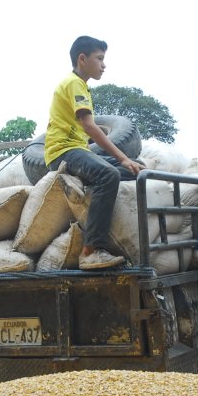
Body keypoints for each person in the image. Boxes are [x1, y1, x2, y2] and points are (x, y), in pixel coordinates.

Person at [44, 35, 143, 270]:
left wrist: (127, 161)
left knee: (135, 168)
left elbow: (87, 129)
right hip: (62, 151)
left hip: (77, 149)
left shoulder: (82, 87)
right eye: (99, 58)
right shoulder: (74, 84)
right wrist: (122, 156)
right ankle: (90, 250)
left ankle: (89, 185)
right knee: (110, 174)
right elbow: (90, 126)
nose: (103, 65)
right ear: (82, 58)